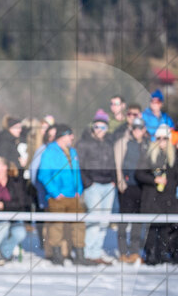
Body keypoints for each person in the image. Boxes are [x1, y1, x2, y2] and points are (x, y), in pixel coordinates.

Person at [37, 124, 91, 265]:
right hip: (57, 197)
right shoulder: (49, 152)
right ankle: (57, 255)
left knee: (78, 225)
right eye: (70, 134)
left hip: (74, 196)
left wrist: (79, 190)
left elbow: (76, 173)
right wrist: (55, 192)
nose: (72, 137)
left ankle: (80, 255)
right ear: (62, 136)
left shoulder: (72, 152)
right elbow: (43, 175)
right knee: (56, 226)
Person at [78, 112, 118, 264]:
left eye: (103, 126)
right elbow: (79, 166)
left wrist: (114, 180)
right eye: (96, 126)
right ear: (92, 127)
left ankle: (96, 251)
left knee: (104, 220)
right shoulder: (84, 142)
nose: (99, 129)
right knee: (94, 218)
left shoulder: (110, 142)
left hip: (108, 185)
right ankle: (88, 252)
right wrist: (88, 183)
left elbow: (116, 162)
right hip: (93, 185)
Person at [137, 127, 178, 265]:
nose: (162, 142)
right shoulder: (148, 155)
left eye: (165, 138)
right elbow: (139, 174)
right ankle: (151, 253)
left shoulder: (174, 156)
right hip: (152, 197)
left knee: (166, 227)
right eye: (159, 138)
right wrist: (154, 180)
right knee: (153, 228)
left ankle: (162, 253)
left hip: (169, 199)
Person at [114, 116, 149, 263]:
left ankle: (134, 251)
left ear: (144, 130)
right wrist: (120, 181)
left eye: (140, 129)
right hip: (127, 187)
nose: (137, 131)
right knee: (124, 220)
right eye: (135, 128)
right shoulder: (124, 143)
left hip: (142, 187)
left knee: (137, 221)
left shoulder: (147, 144)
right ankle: (123, 252)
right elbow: (118, 163)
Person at [0, 156, 29, 262]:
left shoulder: (15, 183)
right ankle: (3, 254)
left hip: (14, 217)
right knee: (2, 230)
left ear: (4, 167)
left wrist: (4, 205)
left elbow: (21, 203)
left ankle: (4, 253)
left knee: (20, 233)